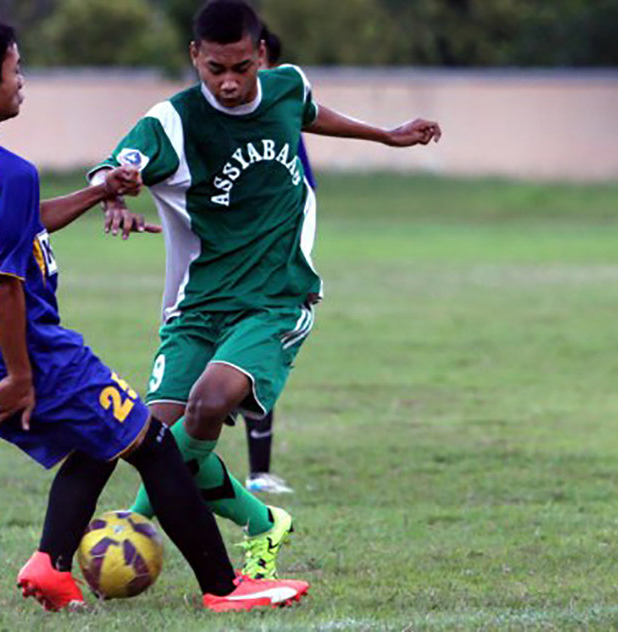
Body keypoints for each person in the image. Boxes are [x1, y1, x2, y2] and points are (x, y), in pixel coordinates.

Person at [0, 15, 308, 613]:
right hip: (33, 354)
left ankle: (49, 565)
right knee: (152, 444)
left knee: (99, 445)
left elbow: (22, 221)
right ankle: (226, 588)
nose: (22, 80)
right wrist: (22, 374)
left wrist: (100, 192)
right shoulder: (10, 170)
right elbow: (3, 281)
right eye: (16, 69)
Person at [90, 0, 441, 580]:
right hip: (198, 306)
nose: (229, 83)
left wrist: (384, 136)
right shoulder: (172, 121)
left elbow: (307, 110)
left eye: (241, 68)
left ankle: (130, 525)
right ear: (194, 58)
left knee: (207, 404)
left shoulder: (285, 87)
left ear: (260, 55)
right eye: (215, 70)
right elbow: (118, 165)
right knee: (156, 442)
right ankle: (261, 521)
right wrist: (113, 191)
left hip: (277, 297)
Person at [237, 25, 313, 496]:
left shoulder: (283, 119)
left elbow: (302, 193)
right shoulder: (200, 120)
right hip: (220, 273)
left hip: (272, 270)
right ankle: (166, 473)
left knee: (257, 368)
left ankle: (258, 473)